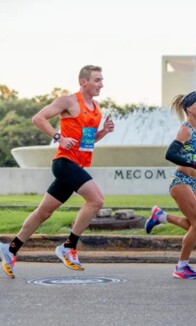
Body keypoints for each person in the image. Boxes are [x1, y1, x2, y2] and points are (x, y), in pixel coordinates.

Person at [0, 65, 115, 279]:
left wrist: (103, 133)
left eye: (102, 80)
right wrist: (58, 137)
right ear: (83, 82)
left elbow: (85, 143)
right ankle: (68, 247)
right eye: (97, 80)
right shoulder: (68, 101)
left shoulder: (96, 107)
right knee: (96, 200)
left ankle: (11, 248)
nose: (101, 84)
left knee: (44, 212)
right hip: (64, 163)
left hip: (76, 165)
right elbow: (38, 118)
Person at [144, 91, 196, 280]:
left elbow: (193, 156)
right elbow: (171, 154)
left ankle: (160, 216)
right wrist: (194, 164)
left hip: (193, 183)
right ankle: (181, 267)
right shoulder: (185, 130)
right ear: (189, 109)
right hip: (181, 182)